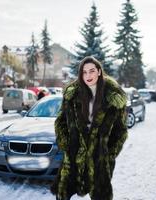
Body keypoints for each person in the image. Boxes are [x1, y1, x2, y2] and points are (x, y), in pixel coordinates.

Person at [51, 56, 128, 200]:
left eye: (91, 71)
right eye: (84, 72)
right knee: (63, 194)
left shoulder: (113, 99)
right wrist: (66, 144)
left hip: (99, 159)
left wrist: (109, 153)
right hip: (74, 156)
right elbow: (60, 121)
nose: (88, 76)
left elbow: (121, 130)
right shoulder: (72, 96)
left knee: (100, 196)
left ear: (99, 72)